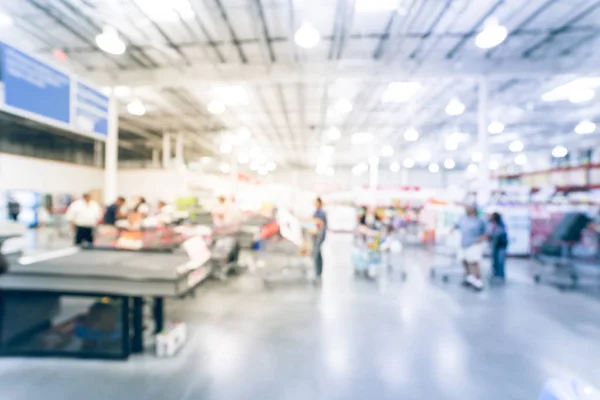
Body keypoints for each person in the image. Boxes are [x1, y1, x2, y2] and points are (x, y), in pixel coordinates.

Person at [453, 205, 488, 290]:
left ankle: (478, 281)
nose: (466, 209)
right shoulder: (463, 218)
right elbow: (457, 225)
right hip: (464, 243)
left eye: (468, 208)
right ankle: (469, 278)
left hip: (474, 244)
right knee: (465, 261)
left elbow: (486, 232)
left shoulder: (480, 220)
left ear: (473, 210)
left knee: (475, 262)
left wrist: (482, 238)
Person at [488, 212, 508, 283]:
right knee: (495, 260)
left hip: (501, 245)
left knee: (500, 260)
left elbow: (500, 233)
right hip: (495, 245)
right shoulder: (492, 224)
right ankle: (496, 273)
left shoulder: (501, 224)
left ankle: (501, 275)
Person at [312, 197, 328, 282]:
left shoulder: (321, 213)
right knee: (318, 254)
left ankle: (318, 272)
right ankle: (318, 272)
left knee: (316, 253)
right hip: (316, 235)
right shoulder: (316, 212)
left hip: (319, 236)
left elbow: (321, 225)